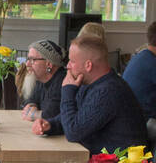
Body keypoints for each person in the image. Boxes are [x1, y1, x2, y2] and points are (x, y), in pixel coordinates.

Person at [38, 25, 149, 155]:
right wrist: (50, 125)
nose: (67, 66)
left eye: (72, 61)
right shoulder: (92, 84)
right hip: (99, 162)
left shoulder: (109, 91)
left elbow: (73, 133)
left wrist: (67, 90)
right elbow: (74, 118)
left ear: (88, 65)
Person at [20, 40, 65, 130]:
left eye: (33, 60)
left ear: (49, 64)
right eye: (28, 59)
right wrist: (32, 105)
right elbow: (30, 99)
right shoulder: (40, 79)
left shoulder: (62, 81)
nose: (27, 64)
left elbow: (51, 114)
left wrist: (32, 114)